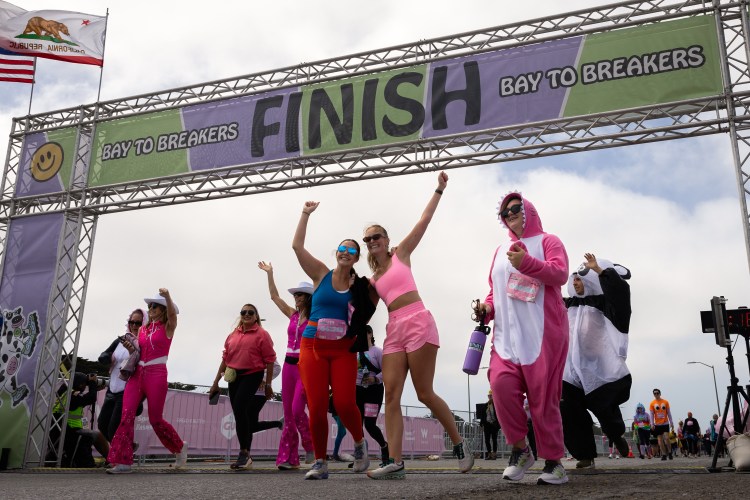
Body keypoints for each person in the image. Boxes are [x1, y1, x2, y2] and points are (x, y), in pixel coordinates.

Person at [363, 172, 473, 480]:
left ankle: (460, 443)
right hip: (394, 330)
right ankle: (395, 462)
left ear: (386, 240)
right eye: (367, 239)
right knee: (392, 396)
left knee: (424, 393)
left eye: (376, 237)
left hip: (418, 321)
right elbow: (357, 308)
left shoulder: (401, 254)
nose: (372, 241)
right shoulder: (372, 281)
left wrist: (438, 189)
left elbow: (424, 221)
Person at [474, 192, 569, 485]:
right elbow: (494, 289)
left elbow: (560, 274)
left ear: (528, 210)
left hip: (543, 334)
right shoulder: (500, 248)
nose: (511, 214)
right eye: (505, 212)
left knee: (544, 400)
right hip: (506, 336)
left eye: (516, 208)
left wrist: (526, 262)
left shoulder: (548, 241)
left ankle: (554, 462)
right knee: (500, 388)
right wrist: (486, 308)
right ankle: (521, 450)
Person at [292, 201, 371, 480]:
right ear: (337, 252)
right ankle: (320, 462)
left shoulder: (360, 286)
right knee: (315, 406)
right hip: (312, 346)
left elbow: (380, 288)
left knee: (345, 403)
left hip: (342, 350)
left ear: (357, 258)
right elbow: (297, 248)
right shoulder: (321, 274)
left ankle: (360, 444)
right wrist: (305, 214)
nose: (346, 252)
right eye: (343, 248)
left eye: (352, 250)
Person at [559, 253, 632, 470]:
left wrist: (601, 271)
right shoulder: (567, 304)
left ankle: (615, 432)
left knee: (606, 411)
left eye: (580, 279)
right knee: (568, 408)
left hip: (599, 370)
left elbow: (620, 294)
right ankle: (584, 455)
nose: (575, 282)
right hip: (570, 370)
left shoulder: (604, 303)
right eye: (574, 279)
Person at [107, 289, 187, 474]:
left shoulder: (168, 327)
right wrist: (130, 348)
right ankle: (123, 462)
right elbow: (138, 352)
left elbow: (173, 315)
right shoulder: (142, 329)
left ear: (163, 310)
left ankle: (179, 447)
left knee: (155, 419)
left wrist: (167, 297)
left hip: (157, 373)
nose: (150, 309)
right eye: (149, 306)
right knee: (126, 415)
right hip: (137, 374)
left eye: (155, 306)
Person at [258, 262, 315, 470]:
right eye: (295, 295)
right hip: (289, 367)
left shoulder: (315, 316)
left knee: (298, 410)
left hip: (305, 366)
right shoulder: (292, 314)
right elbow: (274, 297)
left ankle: (310, 446)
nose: (296, 298)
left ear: (308, 297)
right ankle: (288, 459)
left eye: (300, 295)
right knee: (288, 414)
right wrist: (270, 273)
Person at [208, 303, 276, 470]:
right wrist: (215, 383)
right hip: (234, 376)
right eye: (243, 312)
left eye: (250, 312)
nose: (246, 314)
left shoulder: (262, 334)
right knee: (239, 413)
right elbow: (225, 359)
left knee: (239, 408)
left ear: (256, 316)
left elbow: (270, 360)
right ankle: (245, 454)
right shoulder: (233, 334)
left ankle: (244, 453)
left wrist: (268, 385)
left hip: (253, 374)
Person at [97, 309, 145, 444]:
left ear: (145, 324)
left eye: (138, 323)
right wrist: (106, 358)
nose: (134, 326)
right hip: (112, 388)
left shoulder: (144, 343)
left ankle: (119, 458)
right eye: (132, 322)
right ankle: (126, 448)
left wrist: (132, 352)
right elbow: (104, 354)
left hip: (127, 390)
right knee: (102, 424)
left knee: (114, 428)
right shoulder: (120, 340)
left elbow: (142, 366)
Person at [50, 372, 109, 467]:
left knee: (91, 434)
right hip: (70, 431)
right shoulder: (72, 395)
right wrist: (93, 384)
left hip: (62, 430)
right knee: (97, 435)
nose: (85, 386)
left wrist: (94, 389)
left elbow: (85, 398)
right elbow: (90, 398)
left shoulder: (65, 392)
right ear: (79, 384)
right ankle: (111, 459)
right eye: (84, 384)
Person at [355, 325, 389, 466]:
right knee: (357, 424)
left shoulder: (378, 352)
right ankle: (361, 456)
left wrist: (375, 379)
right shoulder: (355, 352)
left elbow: (387, 370)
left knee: (369, 424)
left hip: (373, 391)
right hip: (357, 390)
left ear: (370, 334)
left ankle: (384, 447)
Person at [650, 388, 674, 461]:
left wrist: (671, 422)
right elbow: (651, 414)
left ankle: (669, 452)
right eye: (655, 393)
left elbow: (669, 413)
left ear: (660, 394)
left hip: (665, 423)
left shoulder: (665, 402)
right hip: (657, 424)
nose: (656, 394)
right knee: (660, 440)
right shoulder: (652, 403)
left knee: (666, 438)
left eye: (657, 393)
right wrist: (652, 424)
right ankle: (664, 454)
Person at [480, 390, 500, 460]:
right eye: (489, 396)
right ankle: (489, 454)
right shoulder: (485, 405)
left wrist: (498, 425)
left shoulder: (497, 405)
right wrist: (482, 424)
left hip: (494, 425)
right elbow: (482, 416)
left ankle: (494, 454)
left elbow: (499, 415)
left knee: (494, 439)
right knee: (487, 440)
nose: (490, 397)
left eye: (491, 396)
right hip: (487, 425)